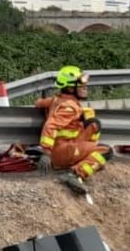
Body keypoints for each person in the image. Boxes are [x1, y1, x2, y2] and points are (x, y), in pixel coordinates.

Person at [35, 65, 109, 194]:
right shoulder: (69, 108)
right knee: (106, 151)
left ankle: (82, 158)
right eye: (81, 86)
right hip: (62, 152)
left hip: (66, 145)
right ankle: (75, 173)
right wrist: (46, 153)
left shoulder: (58, 100)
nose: (86, 88)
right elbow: (50, 126)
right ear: (70, 88)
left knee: (94, 124)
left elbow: (38, 103)